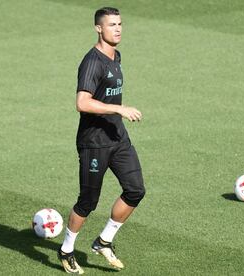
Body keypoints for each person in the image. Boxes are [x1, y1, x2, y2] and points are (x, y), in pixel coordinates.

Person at [57, 7, 146, 274]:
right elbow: (81, 103)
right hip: (93, 143)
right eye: (111, 25)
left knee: (135, 190)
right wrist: (119, 109)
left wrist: (117, 116)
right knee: (88, 202)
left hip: (117, 138)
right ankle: (66, 250)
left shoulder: (115, 56)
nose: (117, 29)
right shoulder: (92, 61)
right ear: (99, 28)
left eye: (120, 24)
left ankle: (104, 241)